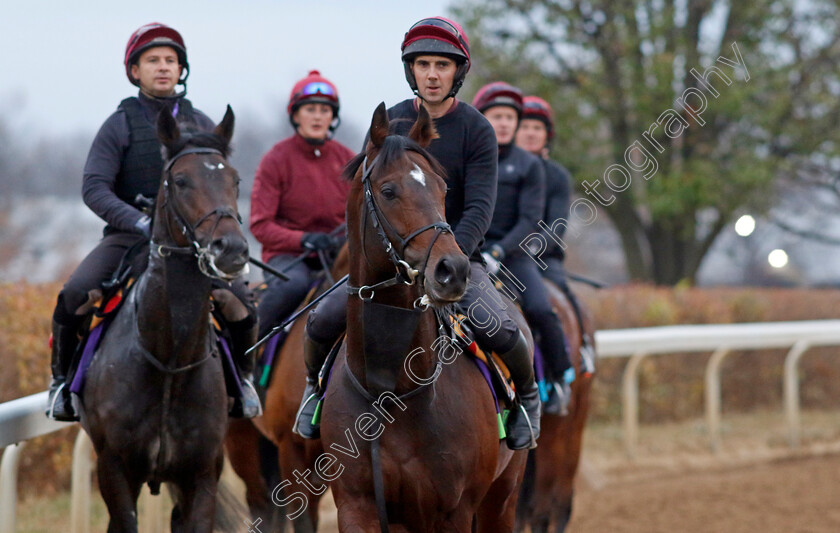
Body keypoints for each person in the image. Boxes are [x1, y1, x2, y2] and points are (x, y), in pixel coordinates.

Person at [294, 16, 542, 450]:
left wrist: (446, 258)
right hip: (388, 264)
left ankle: (527, 400)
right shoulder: (388, 122)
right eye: (423, 64)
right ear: (411, 70)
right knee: (320, 320)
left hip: (453, 259)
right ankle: (315, 391)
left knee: (503, 331)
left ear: (457, 73)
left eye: (441, 65)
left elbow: (481, 207)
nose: (431, 74)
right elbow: (365, 197)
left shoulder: (477, 129)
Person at [46, 22, 260, 421]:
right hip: (130, 238)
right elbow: (94, 187)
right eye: (152, 61)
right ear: (135, 71)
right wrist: (137, 222)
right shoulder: (119, 124)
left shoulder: (201, 123)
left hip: (193, 245)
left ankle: (241, 383)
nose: (163, 67)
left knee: (242, 303)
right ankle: (61, 382)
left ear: (182, 70)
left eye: (171, 60)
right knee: (75, 292)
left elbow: (218, 185)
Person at [473, 82, 574, 416]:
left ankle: (560, 377)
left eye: (509, 117)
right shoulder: (469, 159)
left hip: (514, 256)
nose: (503, 123)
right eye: (496, 116)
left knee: (541, 309)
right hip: (471, 255)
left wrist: (499, 252)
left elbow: (531, 220)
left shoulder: (531, 168)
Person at [250, 70, 354, 340]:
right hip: (288, 258)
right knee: (293, 286)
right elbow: (260, 225)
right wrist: (304, 239)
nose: (318, 116)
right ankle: (249, 355)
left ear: (333, 117)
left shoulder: (348, 160)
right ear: (295, 115)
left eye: (324, 110)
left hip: (337, 254)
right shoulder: (275, 159)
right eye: (310, 109)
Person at [516, 95, 595, 378]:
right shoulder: (498, 168)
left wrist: (529, 248)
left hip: (543, 258)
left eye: (537, 128)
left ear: (547, 135)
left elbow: (556, 224)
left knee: (561, 298)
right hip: (500, 256)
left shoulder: (558, 176)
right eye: (524, 126)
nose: (530, 133)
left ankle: (581, 349)